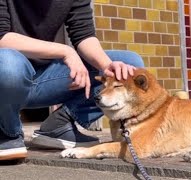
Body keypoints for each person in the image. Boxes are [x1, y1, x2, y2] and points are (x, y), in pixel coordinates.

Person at [0, 0, 144, 160]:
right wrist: (65, 51)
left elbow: (84, 35)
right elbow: (1, 38)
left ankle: (59, 125)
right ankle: (7, 131)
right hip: (7, 75)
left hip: (43, 79)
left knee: (130, 67)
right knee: (8, 63)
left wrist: (107, 66)